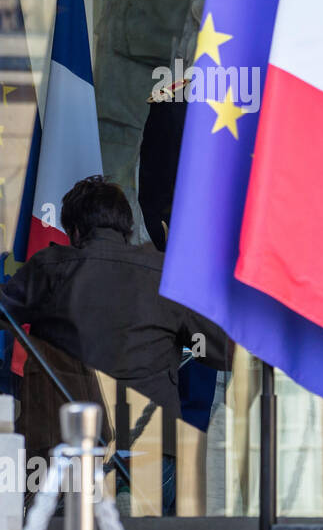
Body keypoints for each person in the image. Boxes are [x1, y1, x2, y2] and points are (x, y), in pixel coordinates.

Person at [2, 176, 230, 507]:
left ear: (75, 232)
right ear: (127, 229)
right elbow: (218, 351)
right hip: (152, 449)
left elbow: (4, 310)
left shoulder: (50, 268)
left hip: (68, 450)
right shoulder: (164, 273)